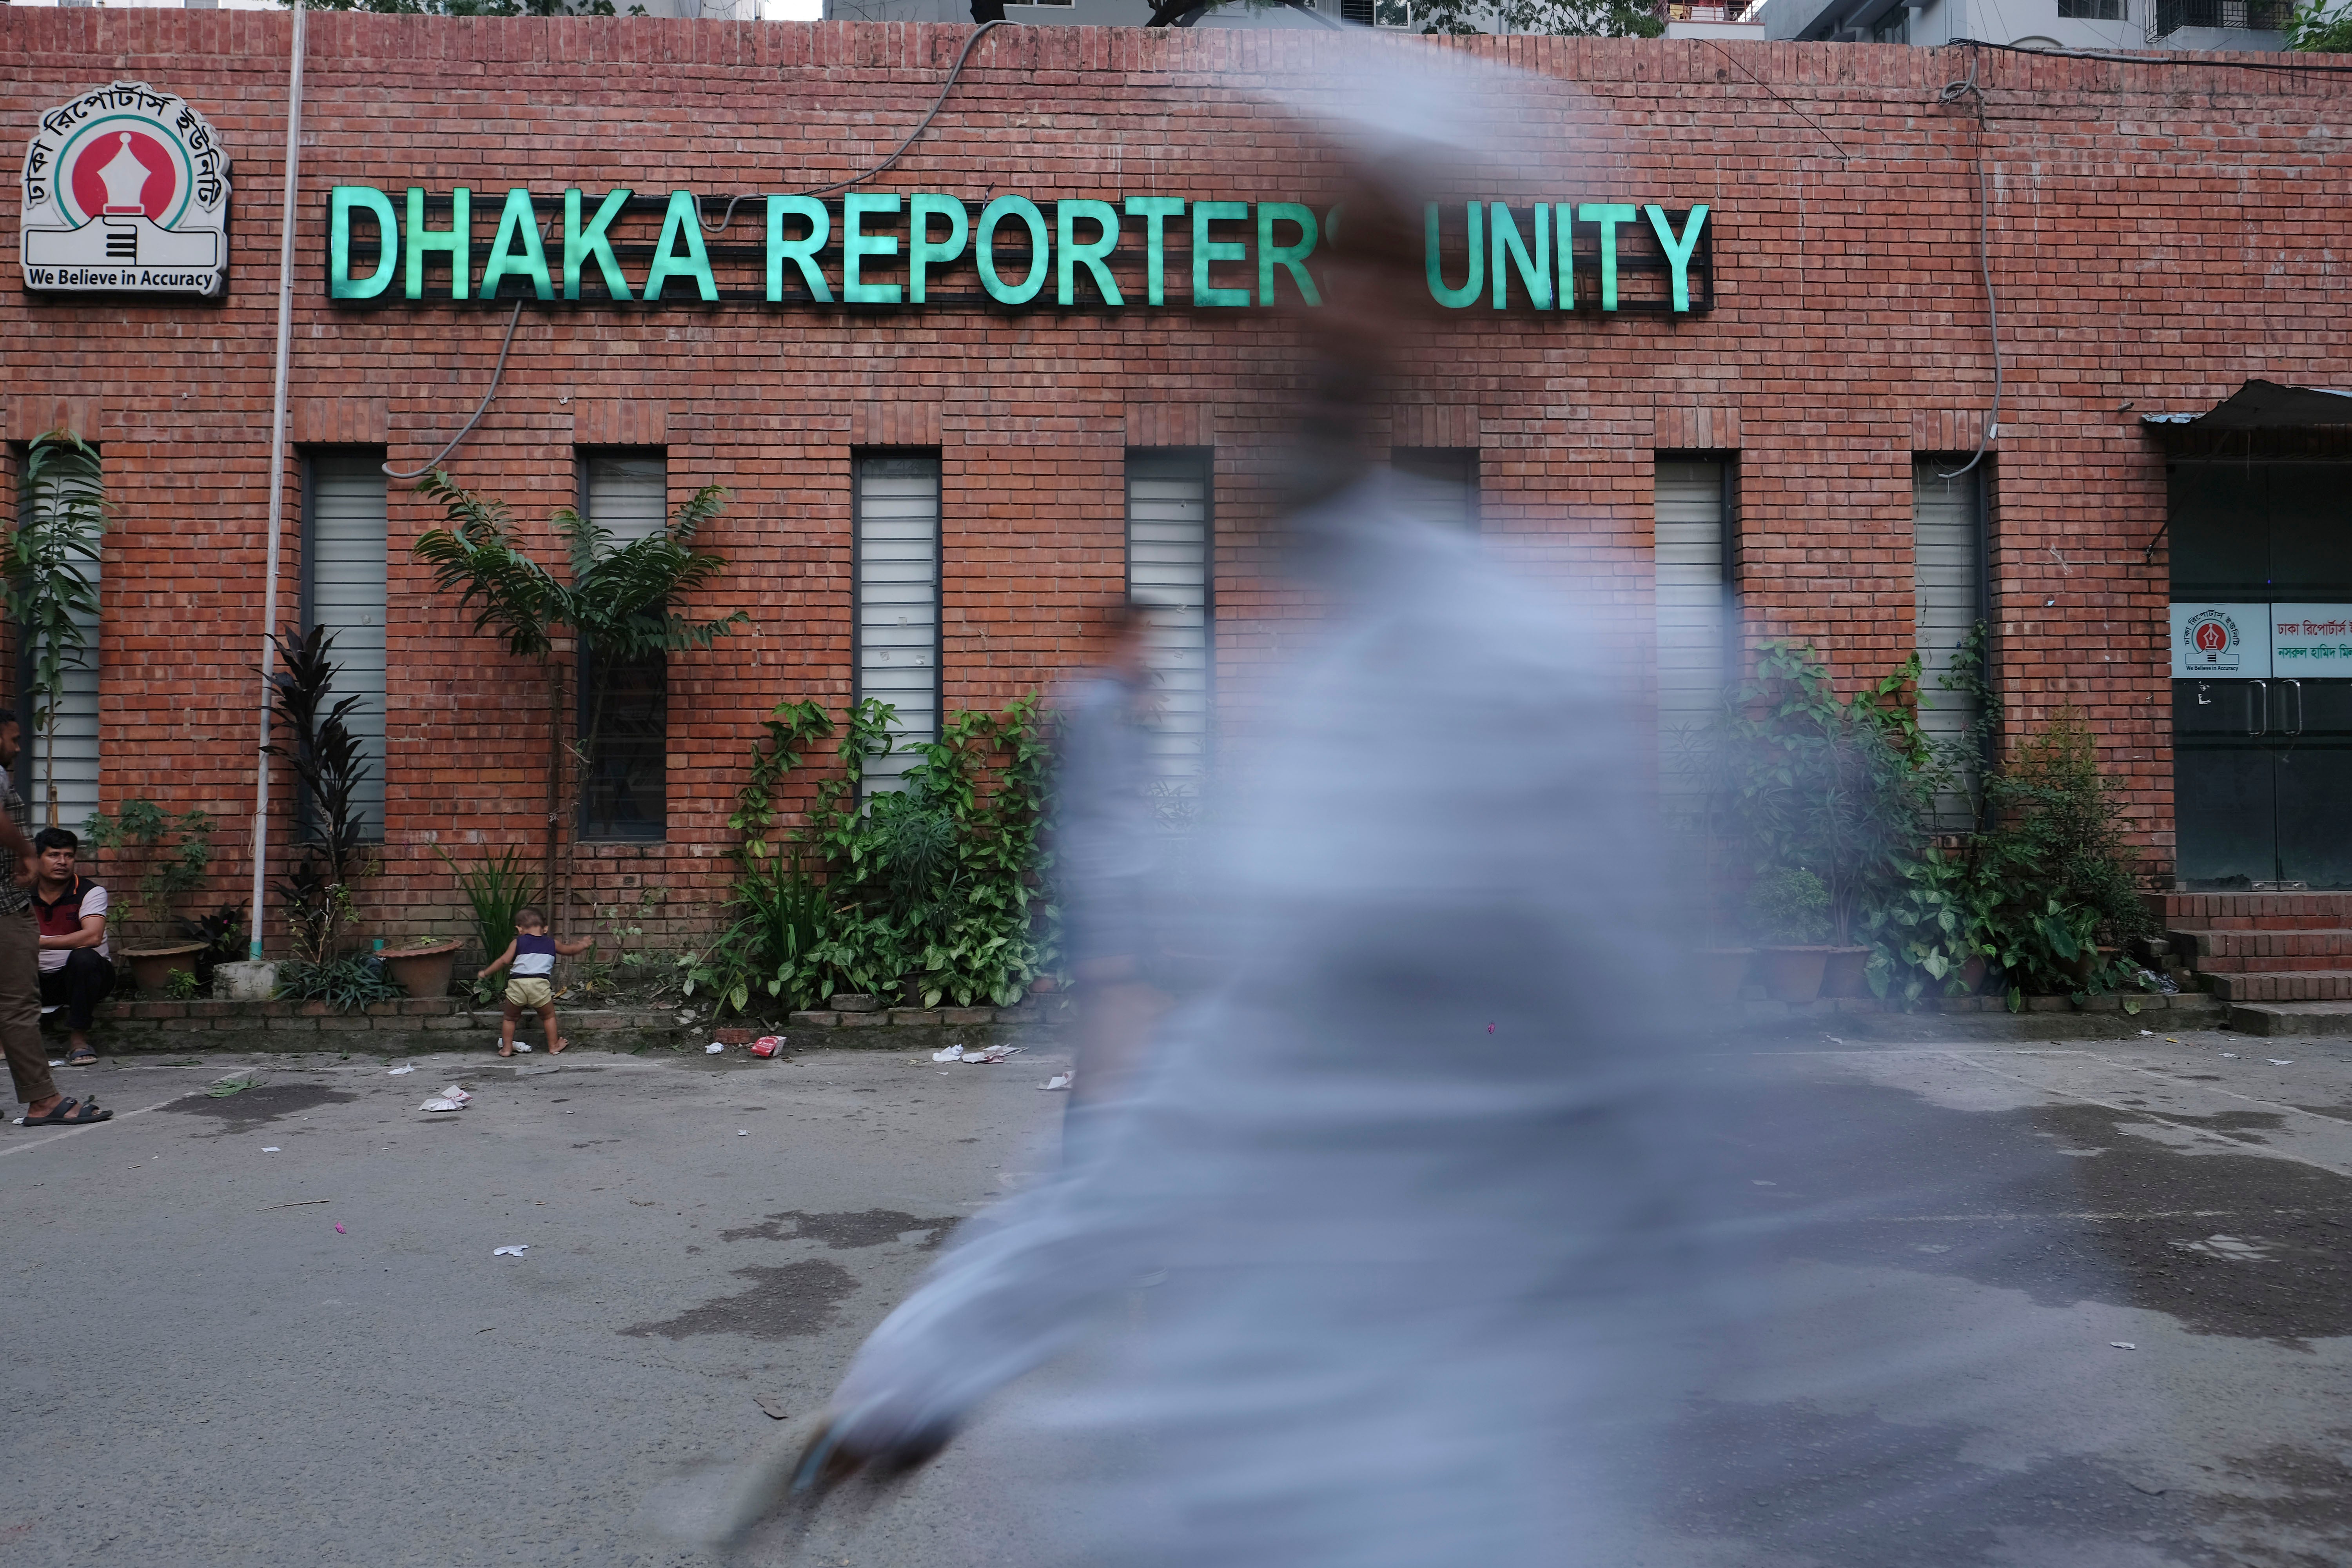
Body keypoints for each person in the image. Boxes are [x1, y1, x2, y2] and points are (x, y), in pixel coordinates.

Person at [1050, 597, 1169, 1112]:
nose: (1150, 651)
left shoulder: (1109, 705)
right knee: (1113, 1032)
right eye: (1143, 638)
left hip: (1118, 882)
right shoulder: (1099, 707)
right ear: (1121, 641)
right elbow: (1097, 806)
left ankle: (1083, 1168)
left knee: (1120, 1031)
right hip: (1107, 888)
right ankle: (1079, 1172)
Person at [0, 711, 105, 1126]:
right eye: (13, 739)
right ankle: (43, 1101)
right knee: (17, 1006)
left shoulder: (88, 890)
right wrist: (26, 852)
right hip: (4, 906)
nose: (19, 747)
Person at [31, 826, 113, 1068]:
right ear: (38, 859)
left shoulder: (90, 891)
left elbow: (92, 937)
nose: (63, 862)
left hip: (84, 979)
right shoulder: (20, 894)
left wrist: (38, 943)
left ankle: (79, 1041)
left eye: (69, 856)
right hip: (33, 980)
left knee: (84, 957)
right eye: (54, 855)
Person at [477, 907, 591, 1058]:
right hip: (539, 986)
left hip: (518, 985)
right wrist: (582, 945)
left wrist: (486, 972)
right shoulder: (552, 943)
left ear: (519, 929)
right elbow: (570, 950)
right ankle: (553, 1046)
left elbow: (504, 961)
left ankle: (506, 1049)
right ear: (545, 929)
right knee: (548, 1016)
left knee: (510, 1018)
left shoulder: (517, 942)